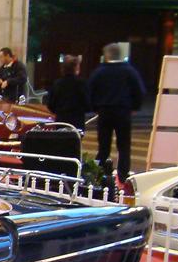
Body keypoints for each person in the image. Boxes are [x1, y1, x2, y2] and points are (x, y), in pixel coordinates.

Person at [88, 42, 146, 186]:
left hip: (104, 111)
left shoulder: (99, 72)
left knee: (103, 147)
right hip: (123, 111)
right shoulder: (129, 71)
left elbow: (89, 91)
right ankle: (123, 176)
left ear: (106, 56)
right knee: (124, 146)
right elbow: (139, 91)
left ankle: (98, 175)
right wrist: (134, 107)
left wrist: (95, 107)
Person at [47, 55, 92, 130]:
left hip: (61, 120)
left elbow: (50, 105)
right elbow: (87, 104)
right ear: (76, 68)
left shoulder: (57, 84)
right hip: (77, 121)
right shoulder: (82, 83)